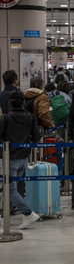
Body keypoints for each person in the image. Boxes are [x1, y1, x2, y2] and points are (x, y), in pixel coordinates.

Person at [0, 91, 41, 229]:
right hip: (24, 157)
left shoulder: (6, 118)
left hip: (9, 158)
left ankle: (28, 213)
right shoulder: (30, 117)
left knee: (10, 189)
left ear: (9, 103)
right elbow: (36, 136)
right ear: (23, 102)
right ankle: (3, 216)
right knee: (13, 188)